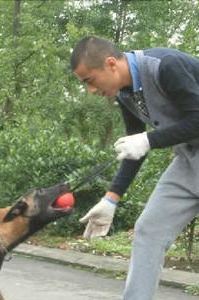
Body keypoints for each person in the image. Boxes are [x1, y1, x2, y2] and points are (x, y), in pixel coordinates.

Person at [70, 36, 199, 300]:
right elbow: (134, 148)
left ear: (110, 64)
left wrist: (149, 140)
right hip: (188, 159)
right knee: (148, 230)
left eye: (89, 81)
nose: (90, 91)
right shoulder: (125, 94)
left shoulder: (165, 66)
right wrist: (111, 199)